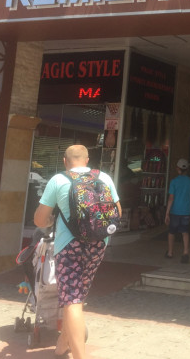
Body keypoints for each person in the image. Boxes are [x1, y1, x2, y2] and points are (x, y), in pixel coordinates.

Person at [34, 144, 121, 359]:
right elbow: (117, 212)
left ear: (65, 161)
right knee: (78, 295)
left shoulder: (58, 180)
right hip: (99, 243)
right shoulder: (104, 178)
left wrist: (51, 220)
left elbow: (39, 220)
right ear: (87, 160)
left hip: (68, 246)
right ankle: (62, 345)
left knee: (72, 300)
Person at [164, 158, 190, 263]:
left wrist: (167, 213)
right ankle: (185, 253)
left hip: (175, 212)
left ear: (178, 169)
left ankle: (170, 252)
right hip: (186, 211)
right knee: (185, 232)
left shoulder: (174, 182)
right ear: (187, 169)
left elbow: (171, 198)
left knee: (171, 232)